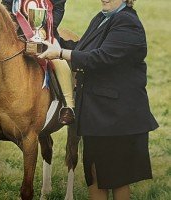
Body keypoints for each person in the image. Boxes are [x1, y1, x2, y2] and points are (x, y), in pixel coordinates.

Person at [38, 0, 159, 199]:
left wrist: (60, 53)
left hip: (117, 119)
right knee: (94, 176)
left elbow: (101, 58)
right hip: (97, 115)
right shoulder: (102, 17)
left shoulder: (127, 22)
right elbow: (82, 48)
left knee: (117, 180)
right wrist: (53, 37)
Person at [0, 0, 75, 125]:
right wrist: (13, 26)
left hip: (46, 34)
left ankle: (68, 105)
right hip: (15, 33)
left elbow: (58, 9)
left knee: (59, 62)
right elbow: (6, 7)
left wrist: (46, 28)